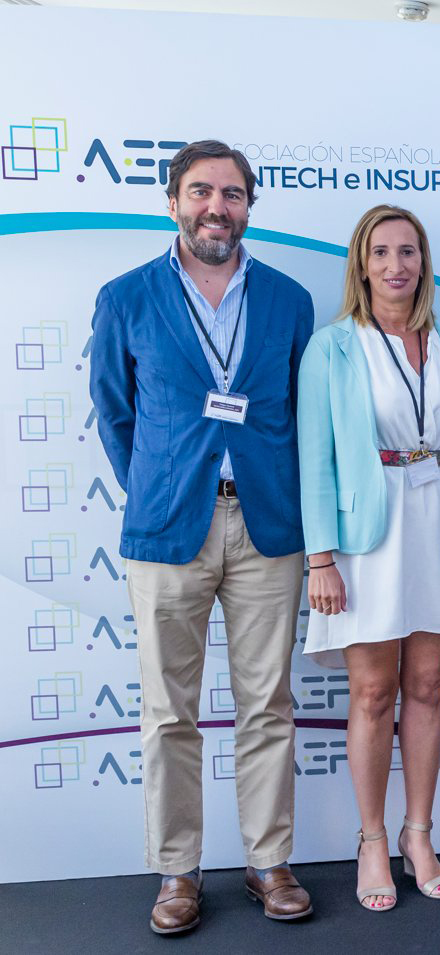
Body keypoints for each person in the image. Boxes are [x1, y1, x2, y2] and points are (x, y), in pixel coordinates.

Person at [89, 140, 314, 934]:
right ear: (173, 202)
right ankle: (177, 871)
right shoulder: (126, 297)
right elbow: (115, 412)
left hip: (268, 524)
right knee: (167, 712)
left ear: (249, 205)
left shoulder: (288, 299)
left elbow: (300, 410)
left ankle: (268, 861)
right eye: (200, 192)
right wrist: (160, 483)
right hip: (167, 526)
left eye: (232, 194)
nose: (216, 207)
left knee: (268, 704)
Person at [297, 204, 440, 911]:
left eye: (407, 251)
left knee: (429, 684)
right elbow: (315, 456)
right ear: (361, 264)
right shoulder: (332, 347)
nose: (395, 265)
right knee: (374, 692)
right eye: (380, 252)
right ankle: (373, 840)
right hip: (366, 532)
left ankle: (419, 834)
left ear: (423, 262)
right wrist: (320, 558)